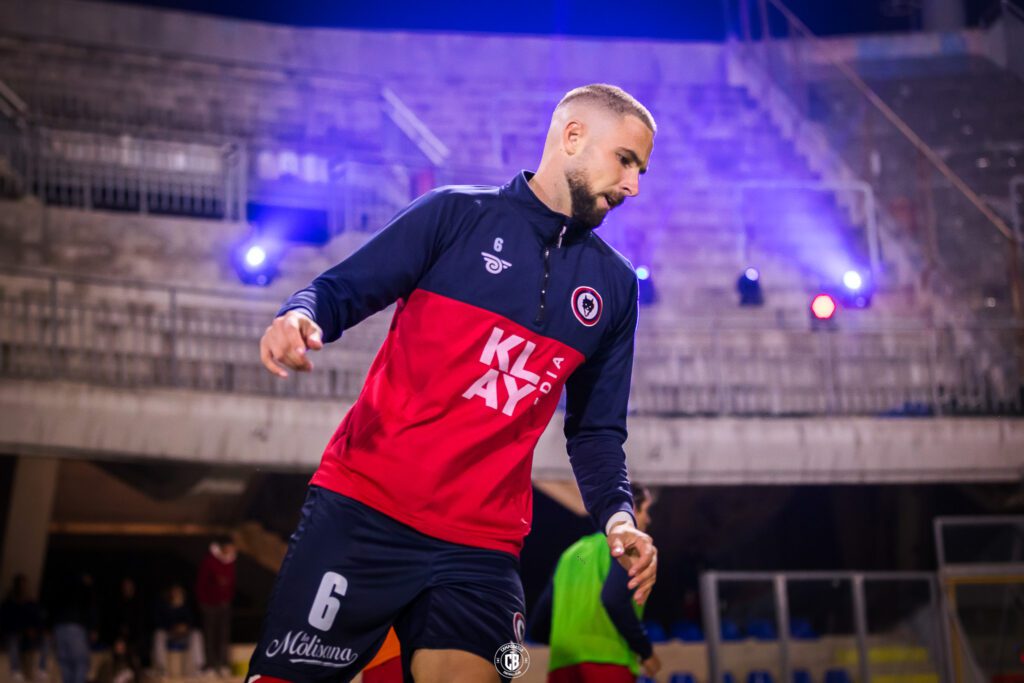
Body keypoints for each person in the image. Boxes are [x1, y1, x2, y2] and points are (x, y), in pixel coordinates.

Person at [248, 83, 659, 683]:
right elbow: (340, 289)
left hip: (482, 546)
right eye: (625, 160)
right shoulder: (454, 214)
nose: (633, 185)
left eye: (641, 169)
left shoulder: (615, 287)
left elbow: (596, 431)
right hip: (365, 511)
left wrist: (619, 518)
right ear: (573, 137)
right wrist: (300, 315)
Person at [528, 484, 660, 683]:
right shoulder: (625, 547)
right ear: (631, 508)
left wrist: (572, 642)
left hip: (562, 665)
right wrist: (645, 651)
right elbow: (613, 600)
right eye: (646, 511)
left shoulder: (572, 554)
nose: (648, 519)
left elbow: (538, 626)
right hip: (608, 662)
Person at [196, 537, 237, 676]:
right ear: (224, 546)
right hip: (209, 604)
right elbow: (201, 583)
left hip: (224, 604)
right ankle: (210, 664)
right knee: (210, 635)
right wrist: (203, 602)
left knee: (223, 635)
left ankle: (223, 664)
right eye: (230, 546)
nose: (232, 549)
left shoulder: (231, 561)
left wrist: (227, 599)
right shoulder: (210, 561)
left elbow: (231, 582)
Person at [50, 572, 97, 683]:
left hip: (59, 627)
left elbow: (53, 605)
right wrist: (93, 628)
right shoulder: (84, 589)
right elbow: (90, 608)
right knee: (80, 663)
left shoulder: (62, 586)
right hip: (75, 627)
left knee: (65, 663)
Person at [1, 574, 49, 681]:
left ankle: (41, 669)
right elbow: (6, 623)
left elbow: (38, 621)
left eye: (25, 585)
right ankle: (15, 670)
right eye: (21, 585)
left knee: (46, 640)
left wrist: (37, 631)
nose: (23, 588)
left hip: (29, 638)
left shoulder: (31, 604)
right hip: (15, 635)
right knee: (13, 639)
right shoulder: (8, 604)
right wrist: (23, 630)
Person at [151, 584, 204, 677]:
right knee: (159, 634)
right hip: (169, 634)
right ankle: (161, 669)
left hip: (184, 635)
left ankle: (197, 668)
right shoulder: (165, 606)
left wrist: (185, 627)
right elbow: (159, 622)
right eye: (174, 591)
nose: (176, 594)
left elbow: (192, 622)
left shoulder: (186, 606)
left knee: (196, 634)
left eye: (178, 592)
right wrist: (173, 627)